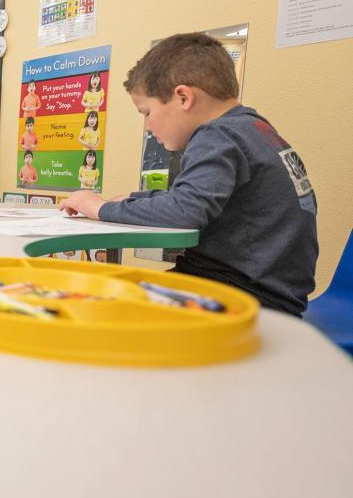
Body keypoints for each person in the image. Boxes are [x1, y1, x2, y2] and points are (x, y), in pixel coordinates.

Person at [60, 32, 317, 315]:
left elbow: (185, 210)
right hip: (267, 288)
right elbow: (197, 197)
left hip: (244, 293)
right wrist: (134, 199)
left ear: (183, 97)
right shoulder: (252, 128)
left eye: (146, 112)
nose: (147, 128)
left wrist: (101, 208)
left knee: (98, 306)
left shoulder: (218, 135)